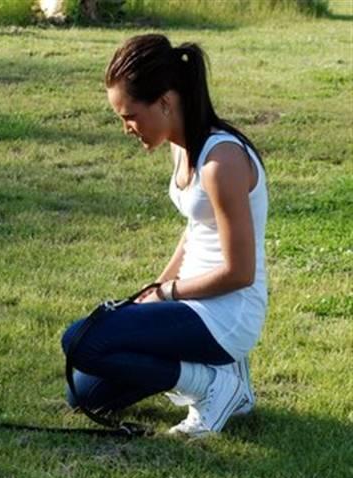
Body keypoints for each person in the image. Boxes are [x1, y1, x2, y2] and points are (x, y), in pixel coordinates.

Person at [61, 33, 268, 438]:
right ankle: (226, 379)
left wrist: (168, 293)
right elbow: (195, 231)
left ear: (165, 103)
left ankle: (215, 386)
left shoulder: (221, 162)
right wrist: (155, 286)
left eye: (129, 116)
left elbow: (240, 272)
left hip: (226, 313)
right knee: (84, 394)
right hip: (191, 300)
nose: (126, 128)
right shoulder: (183, 147)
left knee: (81, 341)